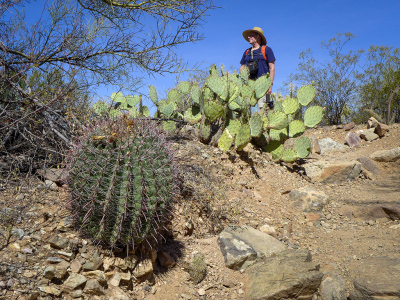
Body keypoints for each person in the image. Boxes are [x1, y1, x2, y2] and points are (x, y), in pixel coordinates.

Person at [239, 26, 275, 112]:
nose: (249, 37)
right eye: (248, 35)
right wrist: (243, 79)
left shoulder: (266, 50)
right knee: (245, 110)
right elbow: (242, 67)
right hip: (249, 86)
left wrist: (270, 85)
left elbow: (272, 68)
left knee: (264, 110)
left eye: (251, 35)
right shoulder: (247, 52)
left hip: (264, 86)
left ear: (258, 37)